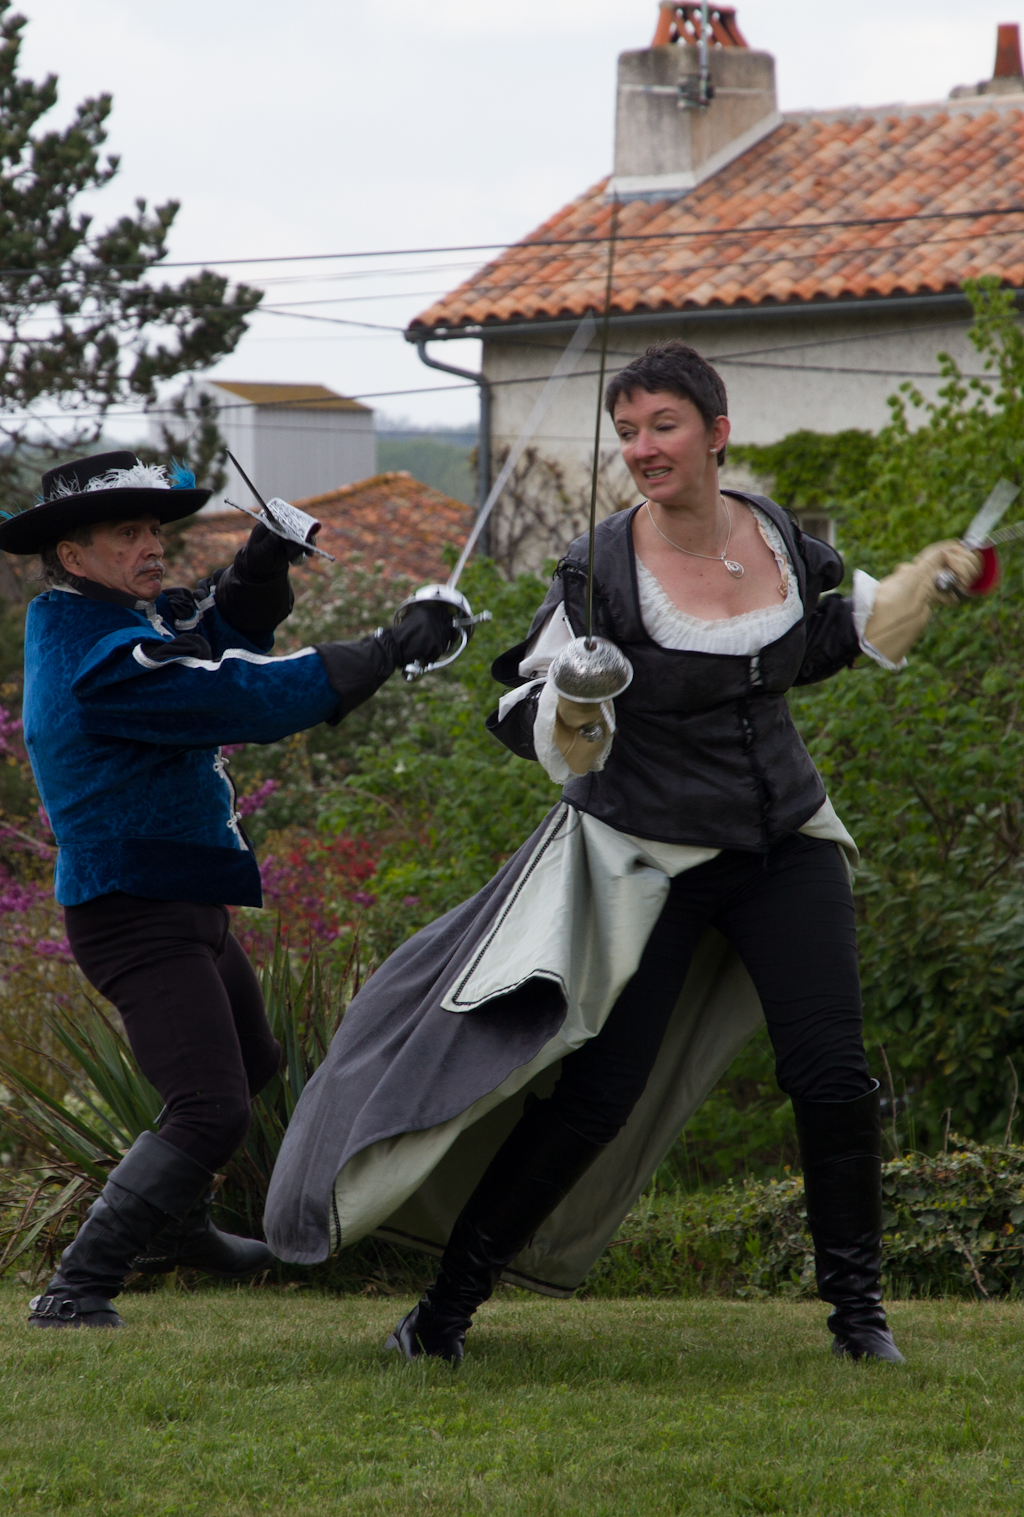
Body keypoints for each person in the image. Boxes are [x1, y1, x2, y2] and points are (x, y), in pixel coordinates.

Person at [264, 342, 980, 1366]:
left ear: (715, 433)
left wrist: (919, 585)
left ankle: (858, 1320)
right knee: (598, 1094)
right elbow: (524, 716)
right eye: (627, 431)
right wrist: (576, 699)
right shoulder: (598, 572)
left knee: (831, 1076)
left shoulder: (777, 536)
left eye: (662, 426)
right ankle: (440, 1316)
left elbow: (807, 651)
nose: (642, 448)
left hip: (784, 841)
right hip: (643, 860)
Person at [0, 449, 456, 1329]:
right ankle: (75, 1289)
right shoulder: (96, 661)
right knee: (208, 1108)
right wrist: (385, 649)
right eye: (128, 532)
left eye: (154, 528)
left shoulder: (108, 623)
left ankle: (177, 1232)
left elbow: (212, 642)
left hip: (179, 899)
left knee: (253, 1064)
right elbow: (235, 695)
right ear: (73, 555)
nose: (152, 546)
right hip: (132, 911)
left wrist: (259, 566)